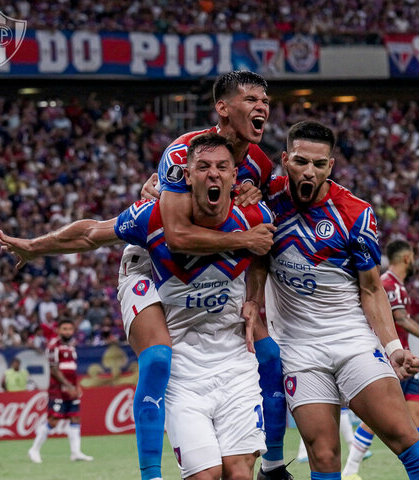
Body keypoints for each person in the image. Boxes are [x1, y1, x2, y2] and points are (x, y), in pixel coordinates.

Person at [0, 133, 273, 480]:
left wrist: (253, 299)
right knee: (205, 475)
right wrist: (36, 247)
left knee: (239, 474)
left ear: (236, 176)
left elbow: (268, 254)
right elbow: (90, 234)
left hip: (233, 363)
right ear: (187, 176)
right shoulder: (154, 217)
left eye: (222, 167)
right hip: (185, 368)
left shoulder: (255, 215)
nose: (213, 174)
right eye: (203, 167)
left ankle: (275, 465)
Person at [247, 121, 419, 480]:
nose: (309, 171)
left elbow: (371, 289)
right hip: (298, 350)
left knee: (404, 437)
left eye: (319, 164)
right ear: (284, 160)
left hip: (352, 340)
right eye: (300, 161)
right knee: (323, 458)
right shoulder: (265, 199)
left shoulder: (355, 212)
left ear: (331, 166)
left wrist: (392, 347)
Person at [140, 70, 289, 480]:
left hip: (221, 277)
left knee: (271, 355)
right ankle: (149, 470)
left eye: (265, 100)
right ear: (222, 108)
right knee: (156, 358)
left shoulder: (258, 163)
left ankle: (273, 465)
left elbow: (262, 243)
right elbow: (174, 236)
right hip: (161, 267)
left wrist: (254, 300)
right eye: (252, 99)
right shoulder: (183, 152)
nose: (262, 107)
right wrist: (243, 236)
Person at [342, 239, 419, 480]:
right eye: (413, 257)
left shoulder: (389, 284)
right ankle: (349, 471)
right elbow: (400, 318)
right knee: (377, 419)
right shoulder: (391, 285)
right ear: (407, 258)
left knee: (417, 417)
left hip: (404, 363)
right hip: (392, 362)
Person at [26, 318, 93, 463]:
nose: (68, 332)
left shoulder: (71, 347)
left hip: (71, 388)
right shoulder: (53, 346)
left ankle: (76, 452)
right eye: (65, 329)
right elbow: (54, 368)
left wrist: (76, 386)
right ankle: (34, 450)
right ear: (59, 330)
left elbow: (72, 369)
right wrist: (68, 386)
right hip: (57, 389)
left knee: (75, 418)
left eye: (70, 329)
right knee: (54, 420)